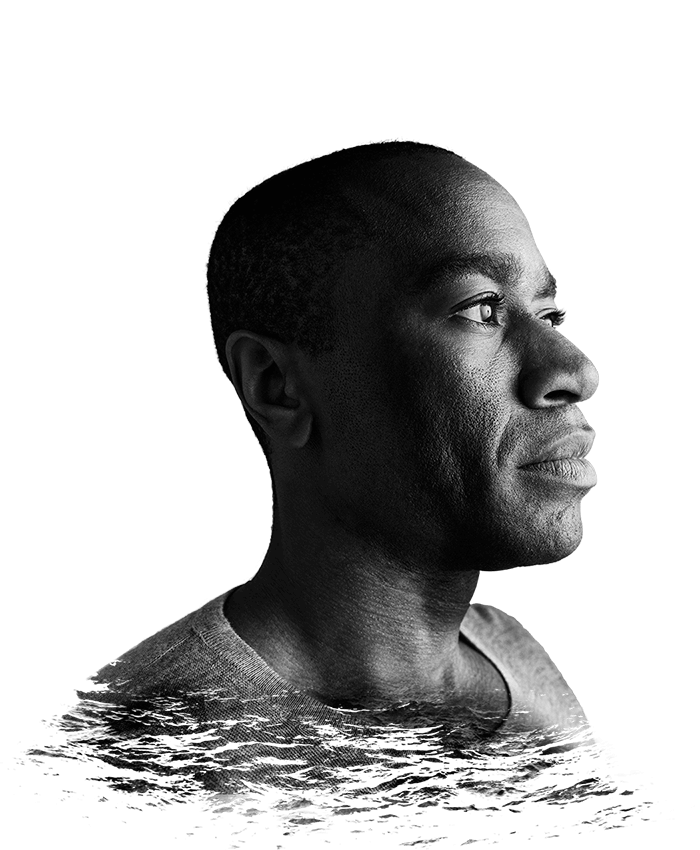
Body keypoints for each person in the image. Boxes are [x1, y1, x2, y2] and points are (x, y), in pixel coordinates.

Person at [51, 140, 601, 799]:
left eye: (549, 313)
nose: (575, 371)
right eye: (481, 308)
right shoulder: (153, 765)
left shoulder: (511, 652)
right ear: (278, 385)